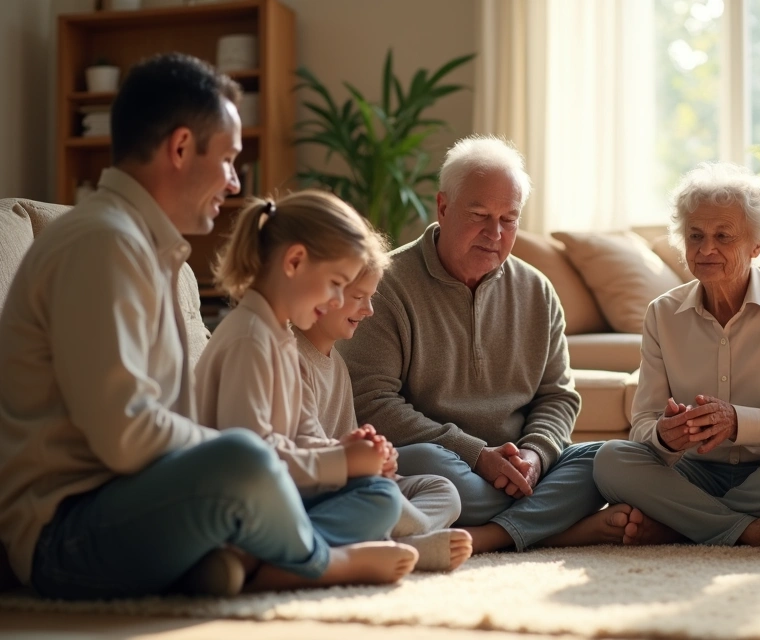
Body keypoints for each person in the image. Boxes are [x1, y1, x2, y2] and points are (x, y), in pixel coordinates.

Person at [0, 53, 411, 601]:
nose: (235, 182)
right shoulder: (104, 244)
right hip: (67, 533)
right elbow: (127, 438)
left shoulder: (150, 251)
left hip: (146, 502)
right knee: (247, 459)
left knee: (362, 488)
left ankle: (241, 560)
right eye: (229, 159)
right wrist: (251, 458)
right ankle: (318, 561)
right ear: (180, 148)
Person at [339, 135, 623, 555]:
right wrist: (476, 455)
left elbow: (558, 396)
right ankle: (553, 528)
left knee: (604, 460)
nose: (495, 233)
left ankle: (494, 534)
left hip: (521, 470)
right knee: (426, 465)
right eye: (479, 215)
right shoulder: (386, 285)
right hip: (447, 464)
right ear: (443, 207)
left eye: (509, 219)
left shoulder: (538, 291)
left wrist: (535, 455)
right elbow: (372, 401)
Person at [592, 162, 760, 548]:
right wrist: (664, 436)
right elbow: (643, 424)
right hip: (693, 474)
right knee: (610, 459)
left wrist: (740, 422)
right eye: (695, 236)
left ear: (756, 246)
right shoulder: (662, 314)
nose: (706, 249)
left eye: (723, 236)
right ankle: (749, 530)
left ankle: (683, 526)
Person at [195, 191, 419, 571]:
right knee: (377, 500)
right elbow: (250, 463)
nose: (335, 301)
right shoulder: (250, 339)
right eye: (336, 284)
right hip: (240, 504)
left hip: (276, 495)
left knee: (380, 494)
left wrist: (347, 451)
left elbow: (301, 436)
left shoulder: (280, 337)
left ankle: (269, 557)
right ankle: (298, 563)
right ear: (295, 261)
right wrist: (341, 462)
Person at [294, 237, 472, 571]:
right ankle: (405, 543)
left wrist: (380, 462)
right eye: (358, 297)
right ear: (326, 292)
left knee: (443, 489)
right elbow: (308, 456)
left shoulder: (337, 364)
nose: (369, 310)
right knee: (383, 499)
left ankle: (397, 539)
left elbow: (347, 437)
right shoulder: (292, 358)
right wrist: (361, 463)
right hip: (319, 487)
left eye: (371, 298)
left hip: (353, 482)